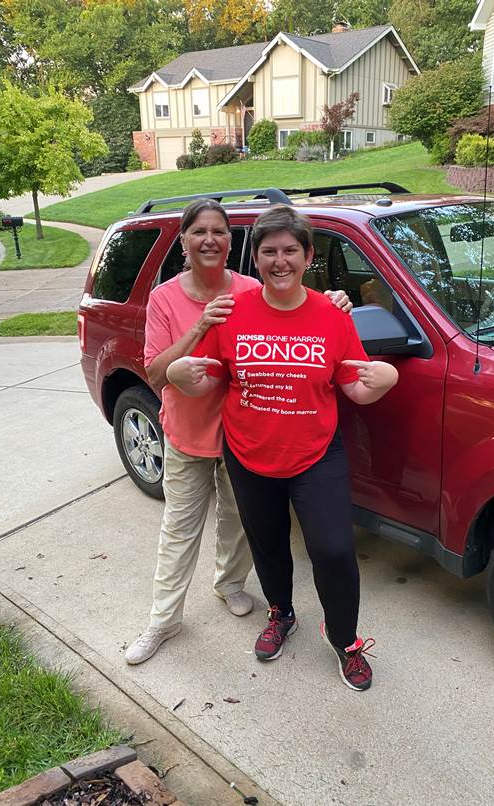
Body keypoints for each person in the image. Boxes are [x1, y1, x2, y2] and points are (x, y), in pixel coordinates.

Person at [166, 205, 398, 690]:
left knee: (333, 550)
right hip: (248, 453)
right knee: (267, 545)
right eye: (268, 251)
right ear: (256, 259)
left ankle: (345, 640)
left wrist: (382, 381)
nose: (279, 260)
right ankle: (280, 613)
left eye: (290, 250)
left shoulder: (331, 315)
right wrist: (182, 375)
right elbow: (209, 378)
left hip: (316, 454)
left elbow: (353, 386)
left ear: (307, 255)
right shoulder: (232, 313)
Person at [125, 199, 351, 665]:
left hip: (243, 438)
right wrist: (201, 326)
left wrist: (334, 301)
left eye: (220, 232)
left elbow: (293, 307)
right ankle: (163, 621)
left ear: (232, 243)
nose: (210, 239)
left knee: (241, 528)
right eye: (198, 231)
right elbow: (156, 373)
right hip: (189, 434)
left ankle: (230, 584)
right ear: (183, 242)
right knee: (180, 529)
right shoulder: (167, 298)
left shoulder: (252, 286)